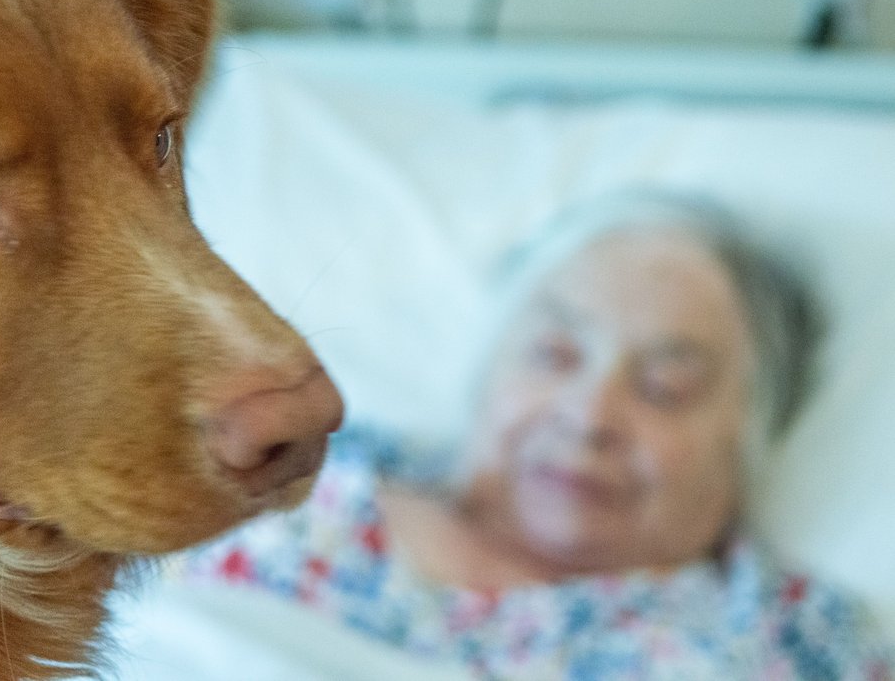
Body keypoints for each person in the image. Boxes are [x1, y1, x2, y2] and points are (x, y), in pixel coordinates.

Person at [182, 190, 893, 679]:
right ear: (488, 373)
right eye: (554, 354)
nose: (588, 416)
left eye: (663, 388)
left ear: (746, 443)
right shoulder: (294, 462)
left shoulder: (783, 638)